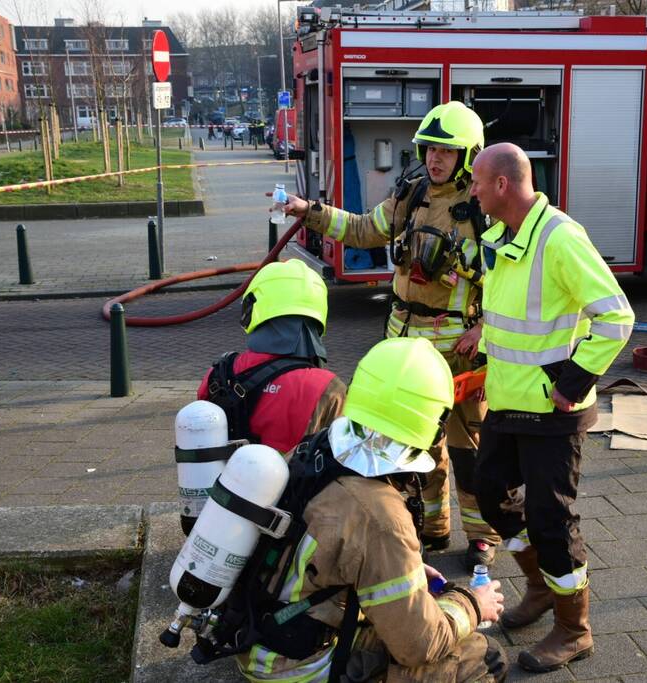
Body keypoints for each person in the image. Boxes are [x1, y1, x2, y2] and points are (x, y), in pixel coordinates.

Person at [279, 101, 501, 570]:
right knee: (417, 446)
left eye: (447, 152)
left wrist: (484, 328)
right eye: (429, 149)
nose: (435, 159)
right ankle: (433, 527)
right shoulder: (410, 193)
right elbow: (363, 229)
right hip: (407, 343)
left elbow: (507, 279)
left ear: (469, 156)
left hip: (459, 354)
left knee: (469, 450)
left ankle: (483, 537)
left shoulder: (484, 209)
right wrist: (310, 212)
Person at [234, 337, 508, 682]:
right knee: (483, 656)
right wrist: (471, 602)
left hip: (260, 637)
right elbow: (419, 644)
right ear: (432, 423)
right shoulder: (382, 516)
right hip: (298, 668)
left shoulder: (317, 450)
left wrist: (403, 567)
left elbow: (332, 546)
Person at [469, 143, 635, 673]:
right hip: (508, 403)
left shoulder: (560, 237)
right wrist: (484, 356)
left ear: (502, 185)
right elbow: (516, 317)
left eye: (477, 181)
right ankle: (540, 590)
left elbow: (616, 318)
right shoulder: (507, 235)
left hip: (551, 411)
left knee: (550, 519)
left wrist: (573, 380)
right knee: (492, 499)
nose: (471, 190)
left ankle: (573, 629)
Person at [196, 259, 346, 454]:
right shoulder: (329, 388)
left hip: (228, 483)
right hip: (295, 484)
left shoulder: (218, 375)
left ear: (251, 308)